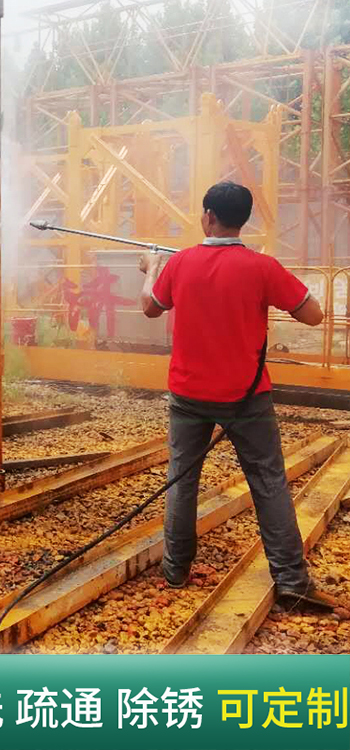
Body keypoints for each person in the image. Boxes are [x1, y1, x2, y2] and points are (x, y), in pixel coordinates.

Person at [138, 180, 326, 603]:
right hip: (247, 397)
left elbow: (149, 307)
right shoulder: (263, 267)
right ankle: (291, 582)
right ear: (244, 219)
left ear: (208, 216)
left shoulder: (180, 263)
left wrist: (151, 268)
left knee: (182, 480)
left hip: (188, 396)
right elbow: (313, 315)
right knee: (268, 482)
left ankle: (175, 571)